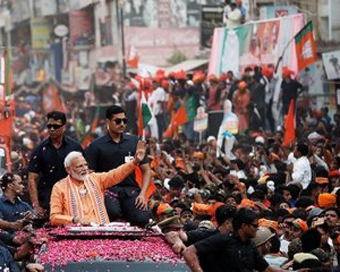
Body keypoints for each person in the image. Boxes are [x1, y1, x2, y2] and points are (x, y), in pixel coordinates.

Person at [50, 140, 146, 226]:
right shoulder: (59, 187)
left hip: (101, 232)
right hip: (75, 236)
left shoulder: (95, 179)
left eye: (85, 165)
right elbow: (54, 217)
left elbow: (115, 174)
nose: (85, 169)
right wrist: (74, 220)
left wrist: (135, 162)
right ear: (68, 169)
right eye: (80, 166)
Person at [85, 105, 152, 227]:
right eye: (118, 121)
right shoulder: (96, 146)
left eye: (124, 121)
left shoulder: (134, 142)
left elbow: (147, 170)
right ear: (108, 122)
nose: (122, 124)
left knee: (142, 218)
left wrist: (143, 194)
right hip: (107, 190)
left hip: (130, 190)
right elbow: (89, 175)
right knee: (112, 212)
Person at [183, 208, 286, 272]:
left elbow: (267, 269)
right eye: (255, 225)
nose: (257, 229)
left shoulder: (250, 245)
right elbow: (189, 252)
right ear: (244, 226)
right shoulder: (223, 239)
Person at [28, 111, 83, 217]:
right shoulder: (40, 149)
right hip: (47, 195)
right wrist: (36, 205)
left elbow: (84, 172)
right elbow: (31, 178)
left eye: (55, 126)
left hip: (72, 193)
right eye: (49, 126)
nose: (52, 129)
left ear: (64, 127)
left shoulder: (74, 147)